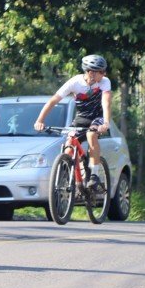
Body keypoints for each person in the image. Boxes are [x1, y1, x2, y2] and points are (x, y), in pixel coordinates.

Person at [33, 54, 112, 189]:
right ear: (91, 72)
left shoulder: (104, 82)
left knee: (91, 134)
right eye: (102, 71)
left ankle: (94, 174)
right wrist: (40, 120)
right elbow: (54, 101)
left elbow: (106, 103)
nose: (104, 74)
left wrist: (105, 122)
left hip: (98, 117)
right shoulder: (75, 82)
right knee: (69, 145)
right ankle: (73, 179)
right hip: (81, 118)